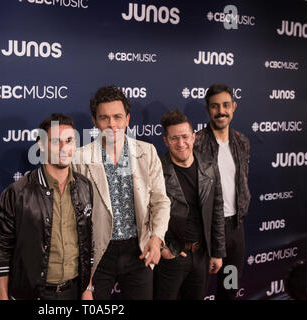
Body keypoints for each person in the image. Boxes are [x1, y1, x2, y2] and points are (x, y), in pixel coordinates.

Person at [72, 85, 170, 300]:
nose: (112, 125)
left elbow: (161, 201)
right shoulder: (79, 158)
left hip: (139, 251)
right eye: (104, 118)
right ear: (94, 122)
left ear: (127, 118)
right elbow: (75, 217)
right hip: (97, 256)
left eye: (117, 117)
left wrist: (156, 238)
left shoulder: (147, 152)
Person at [0, 113, 93, 300]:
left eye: (69, 140)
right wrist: (2, 295)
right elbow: (2, 249)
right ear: (41, 145)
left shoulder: (85, 187)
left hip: (74, 291)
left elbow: (88, 243)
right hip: (31, 293)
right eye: (56, 141)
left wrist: (88, 288)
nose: (64, 148)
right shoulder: (18, 192)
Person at [153, 109, 225, 300]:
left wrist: (217, 252)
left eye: (185, 136)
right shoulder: (157, 169)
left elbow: (217, 211)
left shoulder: (209, 166)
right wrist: (163, 249)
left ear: (194, 137)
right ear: (166, 141)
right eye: (174, 138)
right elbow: (146, 213)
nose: (181, 143)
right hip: (172, 256)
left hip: (201, 255)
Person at [194, 83, 251, 300]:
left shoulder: (242, 142)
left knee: (230, 288)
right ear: (208, 109)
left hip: (235, 230)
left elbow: (242, 182)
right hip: (205, 232)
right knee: (198, 290)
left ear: (234, 106)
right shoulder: (196, 143)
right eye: (215, 106)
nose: (221, 111)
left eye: (226, 105)